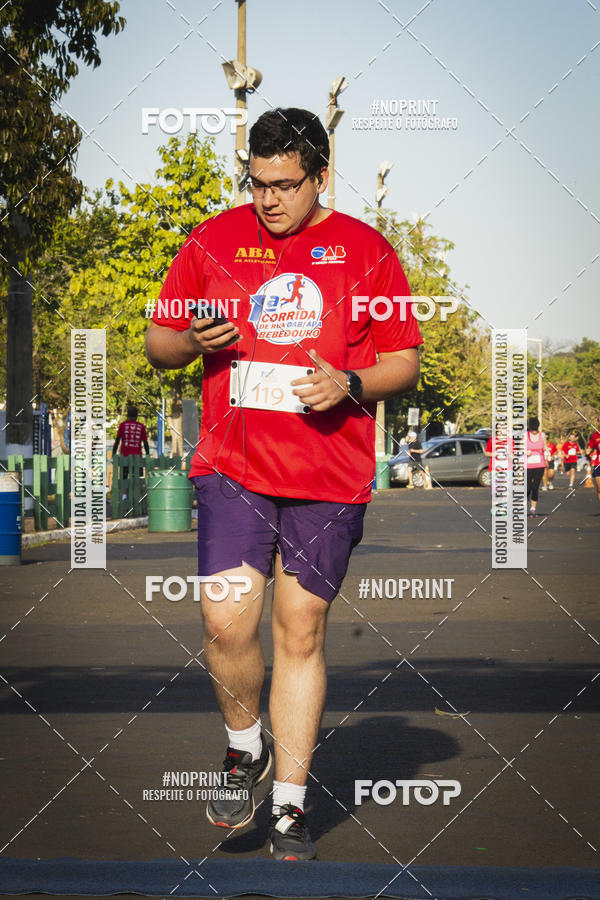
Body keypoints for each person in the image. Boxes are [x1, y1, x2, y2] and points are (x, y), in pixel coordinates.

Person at [145, 108, 422, 860]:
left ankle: (293, 806)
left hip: (327, 473)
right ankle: (244, 746)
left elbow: (404, 357)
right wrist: (187, 341)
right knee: (225, 622)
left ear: (321, 176)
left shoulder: (366, 251)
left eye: (285, 185)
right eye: (257, 182)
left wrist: (353, 382)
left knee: (299, 631)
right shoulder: (214, 240)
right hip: (231, 467)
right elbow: (158, 340)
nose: (267, 199)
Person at [112, 405, 150, 500]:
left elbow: (117, 441)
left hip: (125, 455)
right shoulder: (141, 427)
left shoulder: (122, 425)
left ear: (127, 415)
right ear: (137, 416)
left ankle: (124, 496)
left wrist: (114, 454)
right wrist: (148, 455)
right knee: (137, 477)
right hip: (137, 456)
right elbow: (145, 443)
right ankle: (136, 496)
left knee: (124, 477)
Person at [526, 417, 547, 517]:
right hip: (528, 465)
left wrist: (547, 455)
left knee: (535, 487)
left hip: (540, 464)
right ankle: (523, 504)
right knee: (528, 487)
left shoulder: (542, 435)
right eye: (532, 430)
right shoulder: (525, 436)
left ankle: (533, 509)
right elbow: (520, 449)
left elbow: (545, 448)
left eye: (536, 430)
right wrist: (525, 451)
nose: (534, 432)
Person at [586, 417, 600, 507]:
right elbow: (589, 448)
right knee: (599, 488)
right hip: (598, 465)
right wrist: (587, 452)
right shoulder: (595, 435)